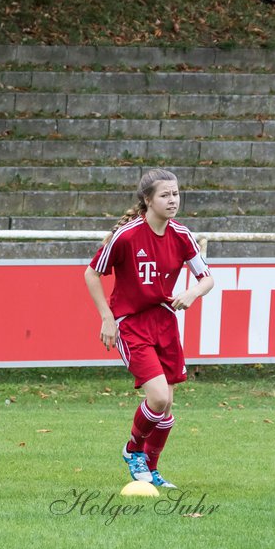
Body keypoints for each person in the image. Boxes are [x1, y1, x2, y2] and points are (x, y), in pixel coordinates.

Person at [83, 168, 214, 489]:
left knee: (166, 405)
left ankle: (151, 469)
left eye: (176, 194)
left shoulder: (181, 235)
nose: (173, 200)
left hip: (165, 323)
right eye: (165, 195)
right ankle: (132, 451)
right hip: (132, 323)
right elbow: (91, 274)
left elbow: (207, 278)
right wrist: (107, 317)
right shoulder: (127, 235)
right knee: (157, 398)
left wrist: (192, 293)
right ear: (147, 200)